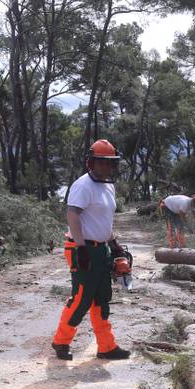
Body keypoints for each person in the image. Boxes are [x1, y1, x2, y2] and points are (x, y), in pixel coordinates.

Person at [51, 139, 131, 361]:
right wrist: (81, 246)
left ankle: (106, 346)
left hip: (101, 247)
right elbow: (72, 214)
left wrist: (114, 245)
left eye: (110, 163)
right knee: (81, 298)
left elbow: (103, 220)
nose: (107, 167)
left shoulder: (108, 186)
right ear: (91, 162)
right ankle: (61, 341)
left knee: (101, 298)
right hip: (83, 247)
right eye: (102, 162)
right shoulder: (82, 185)